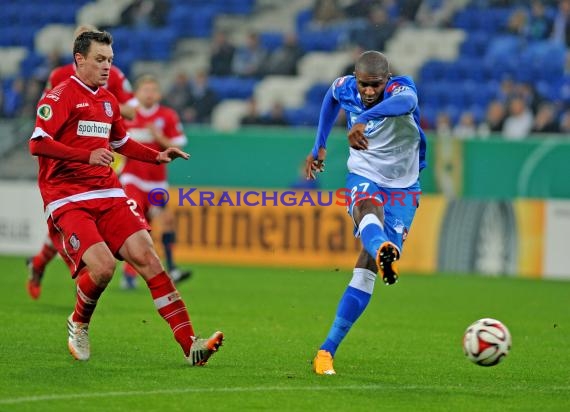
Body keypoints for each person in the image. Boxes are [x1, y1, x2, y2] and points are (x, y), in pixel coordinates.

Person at [28, 30, 223, 365]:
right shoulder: (59, 98)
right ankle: (79, 322)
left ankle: (192, 346)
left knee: (148, 258)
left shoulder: (107, 101)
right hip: (67, 196)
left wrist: (156, 155)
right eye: (100, 60)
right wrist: (85, 156)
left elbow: (119, 142)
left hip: (108, 191)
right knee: (102, 268)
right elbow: (38, 143)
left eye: (110, 60)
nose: (107, 67)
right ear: (80, 60)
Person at [305, 51, 426, 375]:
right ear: (356, 79)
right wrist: (319, 145)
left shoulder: (401, 90)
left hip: (403, 187)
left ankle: (326, 347)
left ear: (386, 80)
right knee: (367, 209)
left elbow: (407, 104)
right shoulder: (347, 87)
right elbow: (331, 98)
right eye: (364, 85)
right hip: (364, 174)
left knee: (366, 269)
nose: (368, 91)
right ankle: (325, 354)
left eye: (375, 85)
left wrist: (362, 119)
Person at [26, 24, 138, 300]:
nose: (103, 63)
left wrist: (103, 102)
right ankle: (43, 265)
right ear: (79, 51)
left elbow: (132, 112)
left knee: (92, 222)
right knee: (69, 224)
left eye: (106, 58)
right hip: (66, 161)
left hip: (105, 156)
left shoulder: (114, 75)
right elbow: (47, 114)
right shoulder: (60, 77)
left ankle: (44, 264)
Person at [119, 74, 192, 289]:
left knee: (166, 221)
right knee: (137, 225)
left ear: (159, 94)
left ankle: (172, 267)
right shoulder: (128, 113)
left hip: (157, 184)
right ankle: (129, 274)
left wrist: (158, 136)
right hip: (133, 179)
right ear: (137, 93)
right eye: (145, 90)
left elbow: (178, 146)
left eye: (153, 90)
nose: (149, 94)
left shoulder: (167, 116)